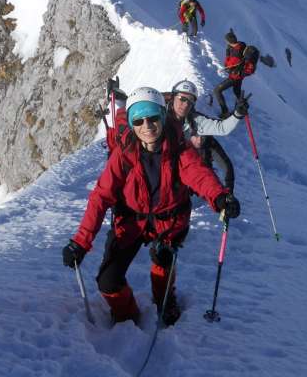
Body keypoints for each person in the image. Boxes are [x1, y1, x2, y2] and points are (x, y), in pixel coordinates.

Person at [63, 87, 241, 326]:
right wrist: (81, 242)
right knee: (108, 280)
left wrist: (220, 197)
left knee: (163, 258)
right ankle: (127, 315)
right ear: (132, 124)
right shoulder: (123, 155)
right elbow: (101, 196)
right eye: (139, 120)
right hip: (130, 222)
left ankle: (165, 302)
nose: (147, 126)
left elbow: (199, 175)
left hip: (168, 223)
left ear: (162, 116)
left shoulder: (179, 148)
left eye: (153, 118)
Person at [164, 80, 249, 192]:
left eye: (190, 101)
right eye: (182, 99)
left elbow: (222, 128)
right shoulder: (158, 117)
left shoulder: (195, 121)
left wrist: (237, 114)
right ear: (173, 97)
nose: (185, 105)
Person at [213, 30, 256, 119]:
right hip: (240, 75)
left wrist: (227, 54)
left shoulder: (235, 54)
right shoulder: (242, 44)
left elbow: (227, 66)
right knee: (237, 92)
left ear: (228, 41)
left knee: (217, 90)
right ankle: (239, 111)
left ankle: (225, 112)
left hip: (235, 76)